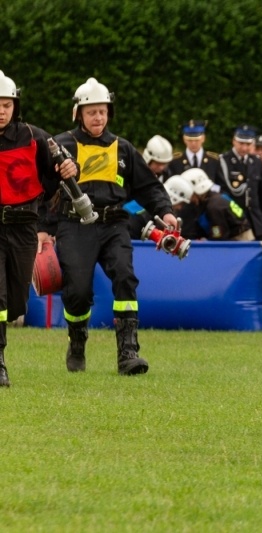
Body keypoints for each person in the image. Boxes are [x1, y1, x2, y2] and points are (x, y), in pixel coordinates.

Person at [43, 77, 178, 375]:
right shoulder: (60, 145)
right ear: (78, 113)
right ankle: (77, 341)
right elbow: (42, 188)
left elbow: (149, 187)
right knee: (77, 291)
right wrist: (44, 229)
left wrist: (165, 211)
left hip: (115, 224)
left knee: (125, 278)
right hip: (74, 226)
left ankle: (128, 353)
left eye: (103, 111)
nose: (98, 117)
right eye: (92, 112)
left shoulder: (124, 149)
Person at [0, 70, 75, 387]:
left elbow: (60, 171)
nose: (1, 111)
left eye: (6, 105)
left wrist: (72, 166)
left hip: (24, 228)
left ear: (15, 106)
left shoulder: (35, 138)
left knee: (16, 301)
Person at [216, 125, 262, 241]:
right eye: (241, 143)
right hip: (233, 221)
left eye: (248, 144)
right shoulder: (223, 161)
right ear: (234, 141)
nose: (244, 148)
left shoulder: (256, 162)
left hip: (256, 221)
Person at [185, 168, 254, 241]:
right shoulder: (216, 197)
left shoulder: (214, 206)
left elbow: (219, 237)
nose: (190, 199)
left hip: (239, 240)